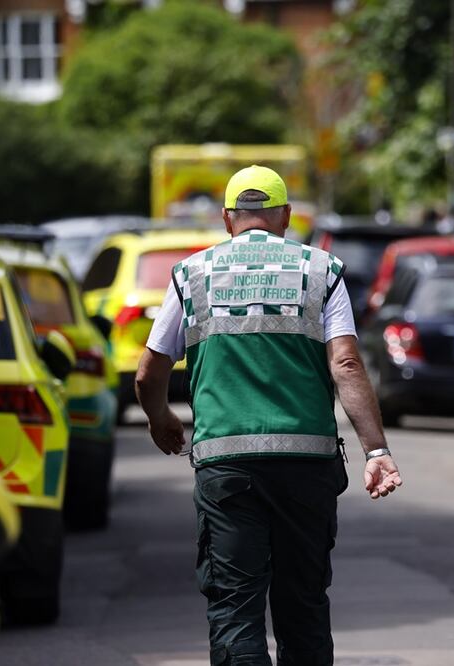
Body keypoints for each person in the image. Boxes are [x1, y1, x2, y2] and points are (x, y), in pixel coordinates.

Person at [135, 165, 403, 666]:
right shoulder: (321, 271)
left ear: (226, 219)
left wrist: (161, 419)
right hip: (307, 466)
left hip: (227, 465)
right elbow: (345, 362)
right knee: (302, 606)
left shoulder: (192, 274)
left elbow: (149, 370)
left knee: (235, 608)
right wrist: (377, 450)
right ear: (284, 216)